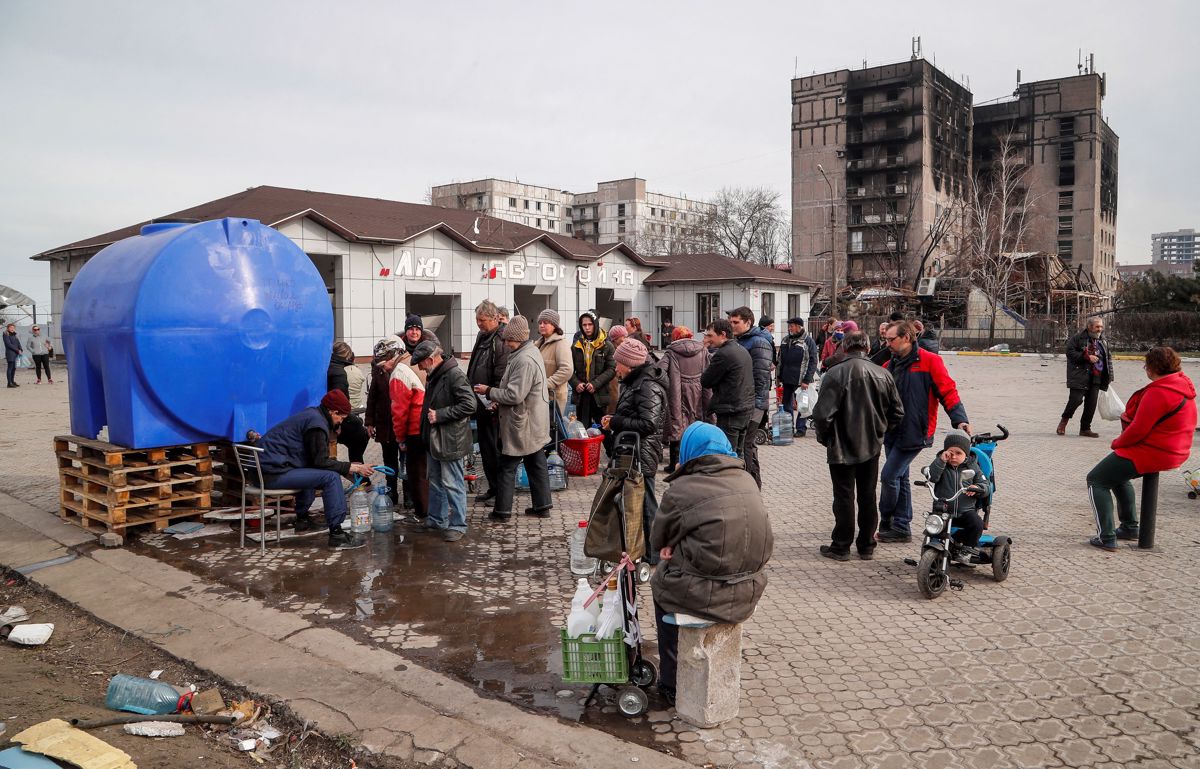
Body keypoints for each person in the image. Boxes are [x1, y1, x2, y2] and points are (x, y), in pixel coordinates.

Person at [649, 422, 773, 706]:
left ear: (690, 451)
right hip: (749, 592)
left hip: (707, 594)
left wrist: (673, 549)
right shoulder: (747, 480)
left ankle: (671, 682)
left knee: (660, 585)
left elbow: (658, 540)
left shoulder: (683, 488)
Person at [1086, 347, 1197, 551]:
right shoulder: (1181, 384)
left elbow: (1139, 428)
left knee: (1096, 479)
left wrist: (1118, 442)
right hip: (1175, 449)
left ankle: (1106, 537)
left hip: (1156, 451)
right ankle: (1129, 527)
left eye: (1146, 366)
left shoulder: (1159, 392)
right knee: (1117, 475)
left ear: (1153, 368)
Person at [811, 331, 904, 561]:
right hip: (871, 444)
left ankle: (842, 546)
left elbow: (822, 416)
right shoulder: (883, 373)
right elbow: (897, 412)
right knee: (867, 495)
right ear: (868, 349)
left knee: (844, 496)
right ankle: (866, 545)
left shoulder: (835, 373)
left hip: (842, 444)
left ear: (845, 348)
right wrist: (879, 430)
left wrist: (826, 438)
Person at [878, 320, 971, 542]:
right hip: (890, 431)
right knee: (900, 477)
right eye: (886, 339)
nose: (887, 343)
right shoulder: (888, 365)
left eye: (892, 339)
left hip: (915, 431)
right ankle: (902, 527)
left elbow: (947, 391)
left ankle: (887, 520)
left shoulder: (930, 362)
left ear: (907, 338)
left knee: (889, 476)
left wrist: (960, 420)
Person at [257, 390, 375, 548]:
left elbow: (315, 461)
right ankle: (336, 534)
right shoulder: (317, 424)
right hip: (271, 474)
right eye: (340, 417)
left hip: (267, 469)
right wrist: (353, 468)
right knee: (330, 477)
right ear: (332, 411)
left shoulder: (313, 415)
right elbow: (320, 462)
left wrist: (348, 466)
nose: (340, 421)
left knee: (316, 473)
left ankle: (302, 520)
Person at [474, 316, 553, 520]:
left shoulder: (524, 359)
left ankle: (502, 511)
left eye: (508, 339)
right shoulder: (528, 351)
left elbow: (514, 395)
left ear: (517, 338)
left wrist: (489, 391)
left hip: (522, 422)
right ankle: (542, 506)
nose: (505, 343)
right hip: (532, 420)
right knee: (536, 462)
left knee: (507, 467)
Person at [602, 338, 667, 559]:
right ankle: (638, 547)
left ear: (629, 364)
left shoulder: (647, 385)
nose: (615, 367)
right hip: (632, 452)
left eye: (618, 362)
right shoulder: (634, 382)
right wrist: (615, 419)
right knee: (635, 502)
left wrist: (617, 422)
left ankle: (654, 553)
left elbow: (649, 424)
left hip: (642, 453)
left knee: (647, 503)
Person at [411, 341, 476, 542]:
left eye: (421, 363)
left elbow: (469, 404)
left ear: (431, 359)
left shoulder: (454, 375)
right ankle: (436, 519)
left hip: (449, 440)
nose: (420, 367)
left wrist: (440, 415)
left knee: (452, 483)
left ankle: (458, 523)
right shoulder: (436, 374)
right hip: (435, 439)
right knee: (437, 482)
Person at [466, 300, 509, 504]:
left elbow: (501, 372)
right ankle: (493, 488)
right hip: (480, 402)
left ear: (494, 318)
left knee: (495, 449)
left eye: (482, 320)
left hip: (493, 403)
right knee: (486, 449)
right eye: (476, 320)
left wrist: (495, 398)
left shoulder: (501, 339)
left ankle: (501, 492)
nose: (478, 324)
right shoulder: (483, 336)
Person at [925, 430, 989, 564]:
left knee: (977, 524)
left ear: (966, 454)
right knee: (932, 525)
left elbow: (985, 484)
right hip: (943, 510)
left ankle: (966, 549)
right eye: (950, 453)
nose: (953, 457)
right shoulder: (941, 465)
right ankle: (928, 553)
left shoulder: (973, 467)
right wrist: (941, 460)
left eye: (958, 453)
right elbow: (932, 476)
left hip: (965, 511)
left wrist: (978, 488)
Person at [727, 307, 774, 488]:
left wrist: (750, 404)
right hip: (744, 402)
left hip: (753, 404)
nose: (732, 326)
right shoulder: (741, 341)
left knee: (746, 445)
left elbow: (760, 378)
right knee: (747, 445)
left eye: (736, 322)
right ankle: (751, 486)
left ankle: (752, 487)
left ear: (748, 322)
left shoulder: (758, 343)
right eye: (731, 322)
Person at [383, 342, 428, 522]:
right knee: (425, 471)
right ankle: (429, 509)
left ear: (389, 359)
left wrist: (400, 438)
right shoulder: (411, 363)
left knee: (416, 473)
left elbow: (399, 411)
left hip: (414, 427)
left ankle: (422, 513)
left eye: (382, 364)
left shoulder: (398, 373)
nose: (382, 368)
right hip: (425, 424)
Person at [659, 326, 709, 473]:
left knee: (677, 424)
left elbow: (659, 370)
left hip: (677, 394)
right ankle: (695, 461)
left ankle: (674, 463)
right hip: (699, 393)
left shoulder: (671, 352)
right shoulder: (703, 351)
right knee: (696, 423)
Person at [700, 319, 754, 454]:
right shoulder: (741, 349)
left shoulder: (723, 354)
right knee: (739, 453)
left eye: (711, 335)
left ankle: (733, 475)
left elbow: (706, 381)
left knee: (728, 454)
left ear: (722, 334)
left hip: (731, 411)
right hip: (744, 408)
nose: (708, 339)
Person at [1059, 316, 1114, 438]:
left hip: (1096, 376)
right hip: (1080, 375)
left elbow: (1108, 359)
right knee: (1075, 400)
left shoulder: (1103, 341)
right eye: (1097, 326)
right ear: (1089, 327)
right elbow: (1070, 353)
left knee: (1091, 404)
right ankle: (1064, 421)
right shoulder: (1078, 339)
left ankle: (1085, 429)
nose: (1099, 329)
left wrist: (1109, 376)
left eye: (1101, 326)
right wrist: (1086, 357)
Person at [364, 337, 403, 505]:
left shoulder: (402, 370)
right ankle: (392, 491)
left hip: (401, 423)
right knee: (389, 460)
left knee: (406, 460)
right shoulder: (378, 372)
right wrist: (370, 422)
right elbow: (372, 398)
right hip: (385, 424)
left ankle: (409, 494)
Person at [570, 311, 616, 429]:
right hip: (581, 394)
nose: (587, 328)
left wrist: (595, 384)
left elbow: (611, 369)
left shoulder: (606, 345)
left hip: (599, 394)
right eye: (584, 325)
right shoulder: (576, 345)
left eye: (590, 324)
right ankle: (586, 448)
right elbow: (569, 369)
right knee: (582, 429)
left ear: (595, 324)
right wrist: (576, 384)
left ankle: (610, 448)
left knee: (604, 428)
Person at [327, 341, 368, 463]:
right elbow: (340, 401)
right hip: (334, 418)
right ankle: (356, 469)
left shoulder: (326, 367)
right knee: (361, 434)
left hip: (326, 414)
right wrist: (337, 426)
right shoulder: (339, 373)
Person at [778, 317, 819, 436]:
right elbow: (781, 359)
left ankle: (801, 429)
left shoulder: (808, 341)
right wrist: (780, 375)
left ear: (798, 326)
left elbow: (813, 361)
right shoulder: (785, 340)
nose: (790, 328)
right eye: (789, 326)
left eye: (792, 326)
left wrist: (807, 380)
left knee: (803, 405)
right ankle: (788, 428)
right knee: (787, 404)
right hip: (787, 378)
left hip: (802, 380)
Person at [535, 309, 573, 414]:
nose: (542, 325)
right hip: (539, 395)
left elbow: (567, 370)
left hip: (553, 397)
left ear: (554, 326)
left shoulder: (561, 344)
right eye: (540, 323)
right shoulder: (538, 344)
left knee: (551, 429)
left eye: (546, 323)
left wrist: (546, 384)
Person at [605, 324, 629, 413]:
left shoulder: (622, 349)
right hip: (612, 387)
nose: (626, 339)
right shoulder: (610, 351)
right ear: (615, 339)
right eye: (623, 336)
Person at [4, 323, 22, 388]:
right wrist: (17, 350)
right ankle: (9, 383)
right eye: (11, 327)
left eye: (13, 328)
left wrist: (20, 349)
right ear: (8, 328)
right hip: (10, 353)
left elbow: (18, 343)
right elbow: (8, 344)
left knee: (14, 368)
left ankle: (12, 381)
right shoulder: (6, 335)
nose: (12, 329)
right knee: (10, 368)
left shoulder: (15, 335)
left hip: (16, 354)